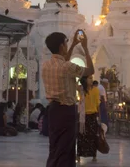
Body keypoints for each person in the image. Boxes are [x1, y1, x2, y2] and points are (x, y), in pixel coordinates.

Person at [42, 30, 95, 167]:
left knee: (56, 147)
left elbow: (63, 62)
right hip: (66, 111)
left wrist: (71, 45)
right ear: (61, 46)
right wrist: (85, 48)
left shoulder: (46, 65)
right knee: (66, 148)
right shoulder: (67, 67)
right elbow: (90, 70)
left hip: (53, 110)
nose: (67, 46)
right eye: (66, 43)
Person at [77, 75, 101, 163]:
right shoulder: (81, 90)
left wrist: (100, 118)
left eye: (92, 78)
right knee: (81, 136)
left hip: (93, 115)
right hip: (83, 116)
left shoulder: (96, 90)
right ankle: (79, 155)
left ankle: (94, 155)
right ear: (85, 80)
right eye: (89, 78)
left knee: (93, 136)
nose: (91, 79)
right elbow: (75, 84)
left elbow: (98, 105)